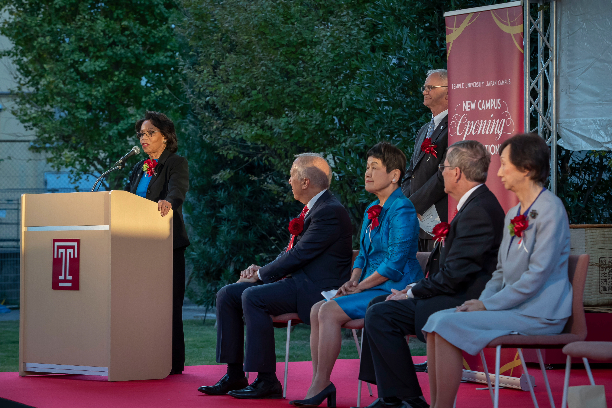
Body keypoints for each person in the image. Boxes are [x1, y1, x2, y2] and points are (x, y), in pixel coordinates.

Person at [423, 133, 573, 408]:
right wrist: (480, 302)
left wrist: (487, 305)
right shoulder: (514, 211)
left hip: (540, 312)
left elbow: (535, 277)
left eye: (505, 164)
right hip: (513, 307)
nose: (499, 171)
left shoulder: (551, 209)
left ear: (526, 169)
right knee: (435, 322)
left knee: (444, 324)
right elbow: (500, 273)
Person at [356, 140, 505, 408]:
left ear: (457, 172)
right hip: (453, 292)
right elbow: (453, 271)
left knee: (381, 313)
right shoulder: (475, 205)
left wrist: (412, 291)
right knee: (377, 305)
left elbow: (455, 276)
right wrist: (411, 289)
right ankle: (392, 396)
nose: (441, 174)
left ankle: (407, 399)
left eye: (443, 168)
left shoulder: (478, 211)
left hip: (464, 301)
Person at [197, 153, 353, 399]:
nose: (288, 180)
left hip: (314, 290)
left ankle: (267, 380)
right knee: (228, 294)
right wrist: (259, 272)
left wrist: (259, 276)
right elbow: (290, 252)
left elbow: (299, 255)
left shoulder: (330, 211)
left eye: (291, 174)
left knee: (252, 296)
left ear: (305, 181)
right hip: (295, 282)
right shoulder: (314, 210)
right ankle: (235, 373)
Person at [289, 142, 422, 408]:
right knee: (317, 308)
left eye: (374, 167)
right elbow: (362, 254)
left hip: (394, 287)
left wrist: (360, 287)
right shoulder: (372, 208)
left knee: (327, 311)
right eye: (366, 167)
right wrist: (353, 278)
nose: (367, 173)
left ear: (394, 175)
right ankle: (320, 381)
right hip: (370, 284)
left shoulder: (403, 209)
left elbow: (394, 264)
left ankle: (321, 384)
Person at [124, 111, 190, 375]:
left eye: (150, 132)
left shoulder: (176, 162)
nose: (144, 138)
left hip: (166, 243)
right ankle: (142, 356)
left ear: (166, 137)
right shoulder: (138, 167)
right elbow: (127, 200)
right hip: (137, 245)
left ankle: (173, 364)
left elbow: (177, 190)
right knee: (138, 304)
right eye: (141, 133)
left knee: (169, 303)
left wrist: (168, 202)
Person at [402, 69, 449, 253]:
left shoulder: (454, 126)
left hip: (439, 218)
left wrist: (413, 205)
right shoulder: (424, 129)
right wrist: (405, 202)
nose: (424, 91)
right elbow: (411, 172)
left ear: (448, 92)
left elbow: (443, 174)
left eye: (430, 87)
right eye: (424, 87)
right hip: (417, 222)